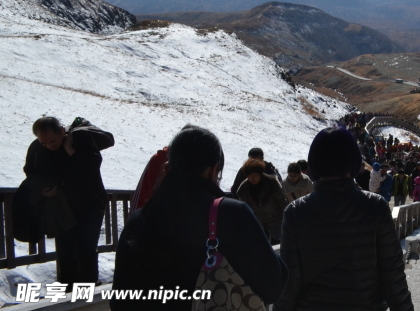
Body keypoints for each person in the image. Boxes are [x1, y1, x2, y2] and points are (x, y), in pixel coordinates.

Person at [112, 126, 286, 310]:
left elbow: (119, 299)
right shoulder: (231, 214)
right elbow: (274, 286)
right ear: (213, 170)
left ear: (167, 168)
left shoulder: (140, 219)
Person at [276, 127, 412, 311]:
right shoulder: (375, 206)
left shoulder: (295, 212)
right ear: (354, 161)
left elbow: (289, 282)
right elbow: (392, 274)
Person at [24, 117, 110, 284]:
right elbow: (31, 173)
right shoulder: (36, 149)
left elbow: (93, 165)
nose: (49, 146)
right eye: (44, 143)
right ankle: (68, 292)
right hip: (60, 207)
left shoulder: (80, 139)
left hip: (90, 204)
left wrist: (71, 151)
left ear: (62, 131)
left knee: (85, 247)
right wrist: (41, 190)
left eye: (53, 141)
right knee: (65, 250)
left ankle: (87, 291)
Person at [236, 159, 288, 244]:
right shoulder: (243, 189)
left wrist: (286, 221)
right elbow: (243, 210)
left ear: (260, 174)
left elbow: (282, 203)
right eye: (249, 176)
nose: (252, 178)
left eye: (255, 175)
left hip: (275, 224)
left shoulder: (272, 183)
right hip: (257, 225)